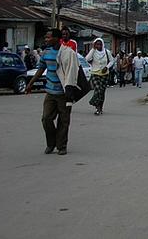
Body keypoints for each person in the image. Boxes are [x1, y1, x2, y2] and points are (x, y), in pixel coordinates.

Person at [26, 28, 79, 156]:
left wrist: (69, 91)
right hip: (50, 92)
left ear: (56, 38)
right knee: (46, 119)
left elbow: (72, 71)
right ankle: (51, 143)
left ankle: (61, 146)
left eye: (48, 37)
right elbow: (41, 69)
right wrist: (31, 83)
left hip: (63, 92)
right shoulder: (46, 53)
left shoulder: (67, 53)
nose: (46, 40)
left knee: (63, 120)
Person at [86, 38, 114, 115]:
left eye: (100, 44)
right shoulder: (93, 52)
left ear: (102, 44)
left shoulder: (107, 52)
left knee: (102, 92)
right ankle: (95, 105)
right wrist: (92, 49)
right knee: (97, 89)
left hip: (104, 75)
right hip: (95, 73)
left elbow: (112, 61)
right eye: (97, 44)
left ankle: (100, 107)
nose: (98, 46)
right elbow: (87, 58)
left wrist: (107, 67)